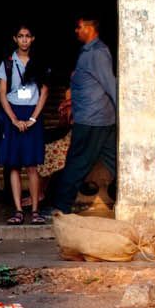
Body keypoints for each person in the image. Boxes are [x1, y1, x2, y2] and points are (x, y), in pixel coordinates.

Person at [51, 16, 117, 215]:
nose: (76, 31)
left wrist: (123, 113)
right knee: (116, 162)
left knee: (77, 162)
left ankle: (61, 208)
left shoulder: (98, 53)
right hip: (97, 119)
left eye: (79, 27)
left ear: (90, 28)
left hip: (93, 120)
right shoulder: (88, 52)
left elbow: (110, 84)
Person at [0, 25, 49, 225]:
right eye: (20, 36)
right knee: (14, 165)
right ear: (15, 39)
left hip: (32, 114)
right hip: (14, 114)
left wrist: (32, 119)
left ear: (33, 39)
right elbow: (2, 94)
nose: (24, 40)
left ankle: (35, 210)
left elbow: (44, 92)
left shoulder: (38, 62)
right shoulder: (7, 63)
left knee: (32, 166)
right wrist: (13, 119)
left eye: (27, 36)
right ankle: (18, 210)